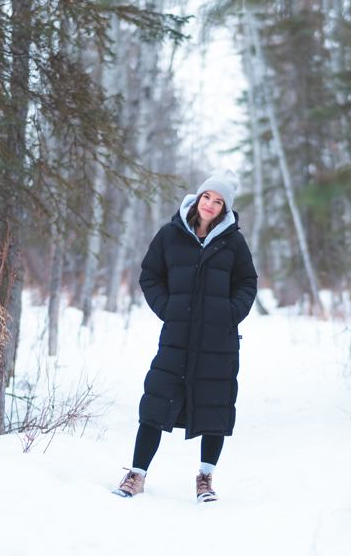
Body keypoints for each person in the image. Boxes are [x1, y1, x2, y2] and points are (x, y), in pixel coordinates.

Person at [112, 170, 258, 503]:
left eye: (218, 201)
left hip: (217, 341)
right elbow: (150, 275)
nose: (210, 204)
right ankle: (137, 474)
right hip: (177, 335)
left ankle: (205, 478)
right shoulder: (171, 234)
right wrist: (167, 307)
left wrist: (230, 312)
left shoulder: (233, 241)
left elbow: (247, 283)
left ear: (225, 208)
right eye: (207, 196)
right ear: (199, 197)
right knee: (155, 402)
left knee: (214, 408)